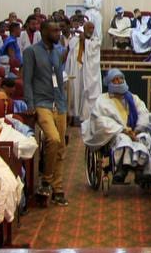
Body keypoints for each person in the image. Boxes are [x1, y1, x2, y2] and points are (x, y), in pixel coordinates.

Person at [88, 69, 151, 188]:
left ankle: (141, 171)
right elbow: (101, 121)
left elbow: (144, 114)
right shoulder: (103, 100)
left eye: (121, 78)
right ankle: (122, 169)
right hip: (116, 133)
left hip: (136, 131)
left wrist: (137, 130)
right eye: (115, 79)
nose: (119, 81)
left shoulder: (133, 98)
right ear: (109, 82)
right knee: (123, 140)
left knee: (145, 139)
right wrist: (123, 130)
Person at [23, 20, 69, 206]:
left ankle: (57, 189)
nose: (59, 33)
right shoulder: (31, 52)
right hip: (42, 103)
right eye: (55, 31)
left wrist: (63, 100)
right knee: (53, 139)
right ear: (43, 32)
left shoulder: (58, 51)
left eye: (59, 30)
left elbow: (59, 77)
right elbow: (27, 80)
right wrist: (30, 103)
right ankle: (46, 180)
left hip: (59, 103)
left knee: (60, 148)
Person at [66, 21, 102, 124]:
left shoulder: (95, 42)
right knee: (74, 92)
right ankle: (73, 116)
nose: (90, 30)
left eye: (92, 28)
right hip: (76, 71)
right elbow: (69, 54)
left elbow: (93, 54)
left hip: (89, 73)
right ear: (84, 29)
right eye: (88, 28)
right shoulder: (75, 40)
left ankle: (86, 119)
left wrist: (85, 41)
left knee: (87, 95)